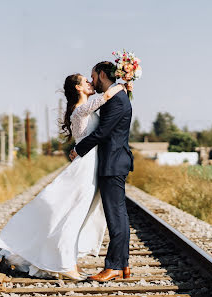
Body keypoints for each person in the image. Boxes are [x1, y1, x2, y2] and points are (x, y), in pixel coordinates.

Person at [0, 72, 126, 281]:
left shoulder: (86, 106)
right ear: (78, 88)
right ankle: (66, 265)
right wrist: (122, 85)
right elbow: (107, 98)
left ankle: (66, 261)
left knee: (78, 214)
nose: (91, 83)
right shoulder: (80, 109)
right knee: (72, 215)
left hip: (91, 166)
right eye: (86, 81)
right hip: (84, 169)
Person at [69, 61, 134, 282]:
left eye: (93, 76)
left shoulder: (116, 99)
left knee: (115, 216)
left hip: (113, 163)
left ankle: (114, 266)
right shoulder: (116, 96)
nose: (92, 80)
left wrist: (78, 149)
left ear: (103, 75)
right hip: (113, 161)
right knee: (119, 215)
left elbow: (104, 132)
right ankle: (122, 264)